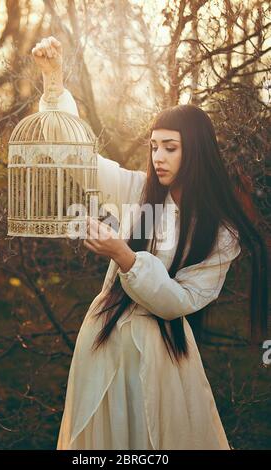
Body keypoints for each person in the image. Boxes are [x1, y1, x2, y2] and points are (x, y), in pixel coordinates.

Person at [32, 37, 268, 450]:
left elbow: (179, 301)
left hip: (164, 356)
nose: (158, 156)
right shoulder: (137, 192)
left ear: (196, 152)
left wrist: (126, 258)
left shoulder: (222, 233)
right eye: (154, 146)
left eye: (171, 148)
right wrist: (53, 84)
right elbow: (78, 158)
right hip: (104, 343)